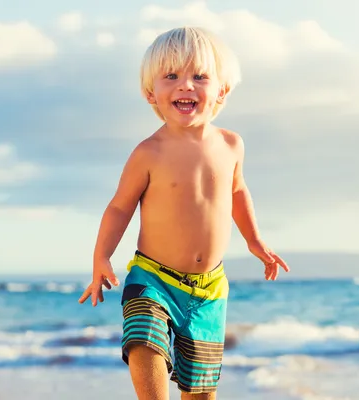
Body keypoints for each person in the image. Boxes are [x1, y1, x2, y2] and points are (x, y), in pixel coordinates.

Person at [78, 26, 290, 400]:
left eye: (200, 76)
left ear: (221, 90)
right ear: (151, 93)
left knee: (201, 391)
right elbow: (119, 207)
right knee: (144, 340)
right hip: (153, 277)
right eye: (171, 76)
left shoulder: (231, 145)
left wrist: (255, 241)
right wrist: (101, 257)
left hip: (208, 289)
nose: (186, 86)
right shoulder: (149, 152)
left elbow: (238, 192)